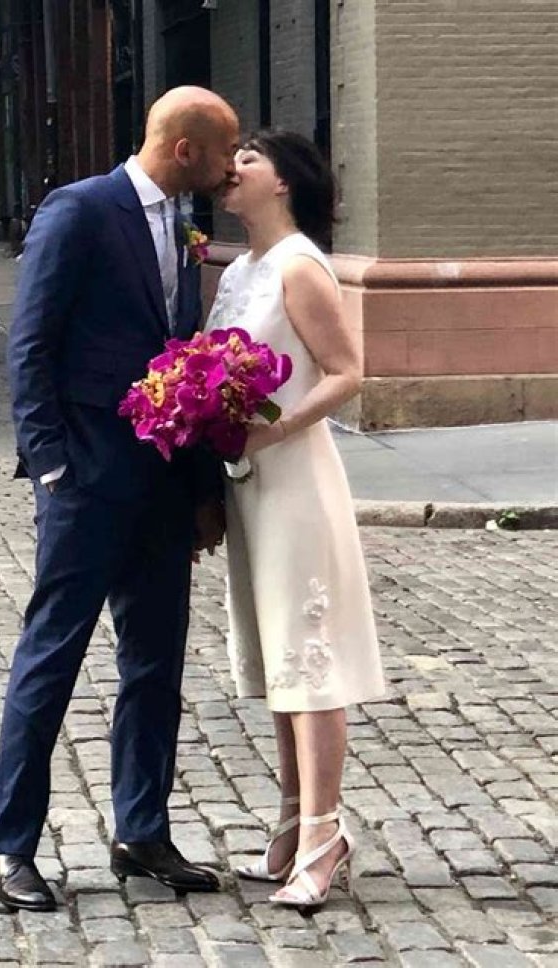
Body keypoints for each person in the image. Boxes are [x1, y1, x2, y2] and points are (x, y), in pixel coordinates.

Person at [0, 86, 240, 912]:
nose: (233, 166)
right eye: (226, 150)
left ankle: (142, 833)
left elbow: (182, 356)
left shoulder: (184, 225)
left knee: (155, 666)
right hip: (87, 483)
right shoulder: (81, 211)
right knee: (51, 658)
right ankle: (10, 845)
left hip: (163, 489)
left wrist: (201, 490)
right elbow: (31, 344)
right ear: (186, 151)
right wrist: (52, 466)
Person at [205, 130, 385, 909]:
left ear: (283, 183)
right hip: (249, 482)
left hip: (296, 479)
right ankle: (290, 820)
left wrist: (273, 430)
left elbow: (346, 373)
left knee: (310, 661)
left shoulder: (300, 266)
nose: (231, 167)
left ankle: (324, 833)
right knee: (280, 658)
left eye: (248, 158)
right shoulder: (239, 269)